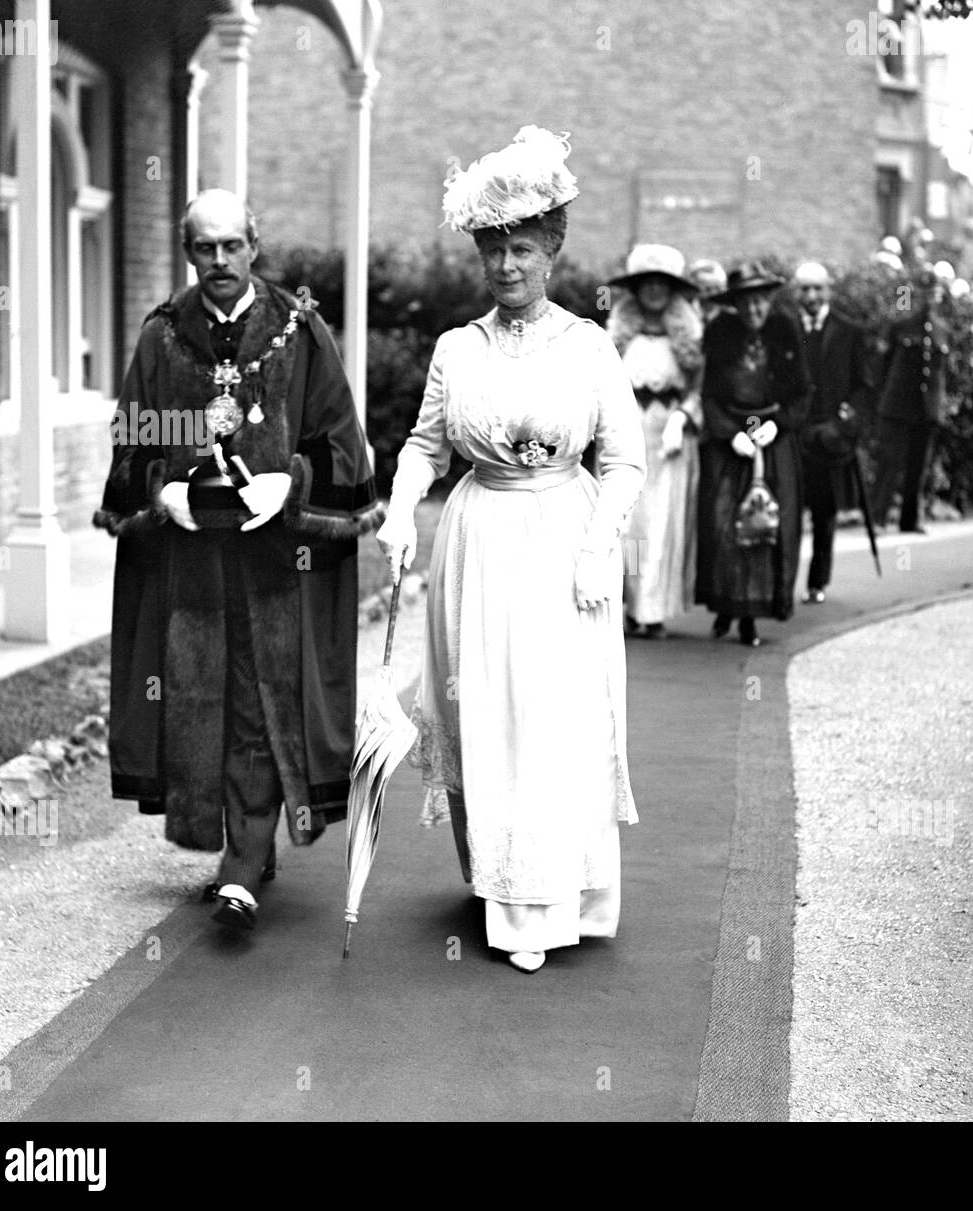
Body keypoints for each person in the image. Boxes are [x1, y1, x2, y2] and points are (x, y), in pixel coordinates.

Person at [376, 127, 646, 975]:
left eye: (521, 248)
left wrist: (602, 544)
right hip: (481, 540)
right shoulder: (458, 349)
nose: (505, 266)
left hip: (566, 541)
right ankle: (508, 890)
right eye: (492, 249)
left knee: (556, 715)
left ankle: (569, 891)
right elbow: (424, 445)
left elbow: (625, 458)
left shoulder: (589, 347)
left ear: (553, 250)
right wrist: (397, 511)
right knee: (488, 712)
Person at [94, 189, 382, 932]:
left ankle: (244, 860)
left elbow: (340, 438)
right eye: (203, 248)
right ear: (187, 251)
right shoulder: (162, 336)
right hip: (191, 558)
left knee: (259, 696)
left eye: (231, 245)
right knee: (198, 695)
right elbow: (134, 439)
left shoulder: (299, 327)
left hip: (275, 557)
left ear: (254, 244)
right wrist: (165, 491)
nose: (218, 262)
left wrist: (294, 479)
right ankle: (243, 845)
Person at [695, 262, 809, 646]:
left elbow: (802, 392)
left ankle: (753, 615)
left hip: (773, 440)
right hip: (731, 444)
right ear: (735, 305)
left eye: (760, 301)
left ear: (769, 300)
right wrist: (729, 434)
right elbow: (708, 394)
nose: (754, 310)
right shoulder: (720, 333)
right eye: (745, 303)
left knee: (767, 527)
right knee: (725, 524)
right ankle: (728, 606)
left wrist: (781, 424)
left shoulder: (786, 330)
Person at [607, 244, 704, 638]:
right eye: (646, 284)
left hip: (669, 441)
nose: (653, 292)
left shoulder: (689, 334)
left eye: (661, 284)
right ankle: (630, 604)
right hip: (626, 436)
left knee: (661, 522)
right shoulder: (617, 334)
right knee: (630, 525)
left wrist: (682, 418)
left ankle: (654, 609)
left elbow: (699, 388)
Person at [792, 261, 872, 603]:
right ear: (796, 292)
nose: (811, 295)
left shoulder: (849, 330)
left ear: (828, 290)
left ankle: (817, 583)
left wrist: (843, 423)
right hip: (792, 434)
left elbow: (864, 386)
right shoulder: (786, 328)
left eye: (817, 288)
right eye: (805, 289)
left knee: (825, 513)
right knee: (788, 512)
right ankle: (782, 586)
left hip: (828, 437)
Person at [868, 264, 952, 534]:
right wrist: (880, 401)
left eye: (933, 293)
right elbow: (881, 366)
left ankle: (910, 519)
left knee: (919, 466)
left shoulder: (942, 329)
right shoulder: (900, 324)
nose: (929, 298)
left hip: (926, 407)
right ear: (915, 294)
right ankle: (878, 517)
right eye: (924, 293)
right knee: (889, 462)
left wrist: (939, 406)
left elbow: (942, 373)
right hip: (898, 403)